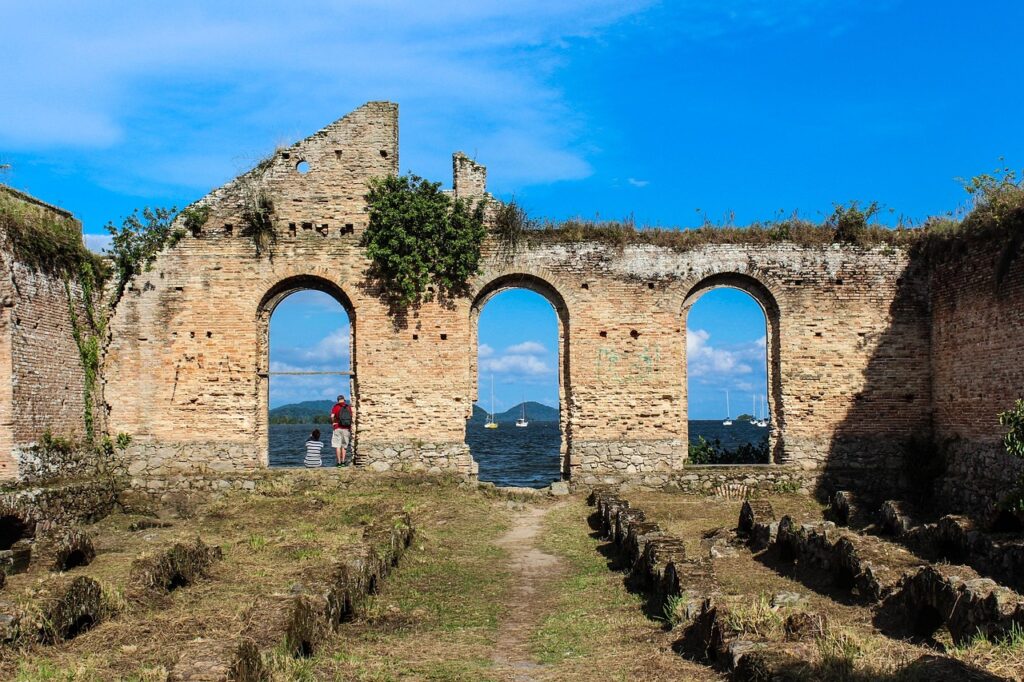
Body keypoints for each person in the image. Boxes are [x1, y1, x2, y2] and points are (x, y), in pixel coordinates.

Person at [330, 394, 354, 466]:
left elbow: (332, 416)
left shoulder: (336, 407)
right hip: (346, 428)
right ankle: (343, 462)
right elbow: (352, 416)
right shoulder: (348, 407)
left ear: (338, 400)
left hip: (337, 428)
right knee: (344, 446)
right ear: (344, 400)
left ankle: (339, 463)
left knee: (338, 446)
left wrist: (334, 422)